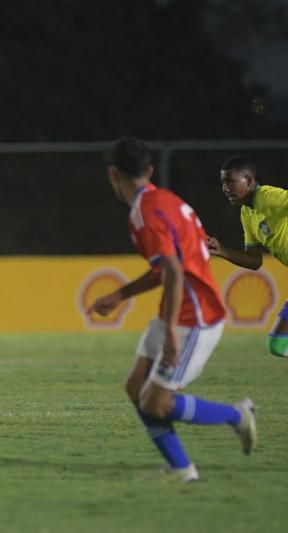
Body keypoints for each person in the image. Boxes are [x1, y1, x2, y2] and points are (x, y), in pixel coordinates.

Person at [87, 136, 256, 482]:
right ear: (149, 170)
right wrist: (122, 295)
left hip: (195, 317)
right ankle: (182, 469)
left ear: (113, 175)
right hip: (178, 310)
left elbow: (174, 271)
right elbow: (168, 268)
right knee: (136, 387)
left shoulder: (145, 214)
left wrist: (171, 338)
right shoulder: (164, 200)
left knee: (156, 403)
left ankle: (237, 415)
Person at [207, 156, 288, 357]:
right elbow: (254, 260)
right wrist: (223, 251)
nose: (225, 188)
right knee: (277, 344)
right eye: (223, 183)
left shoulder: (268, 197)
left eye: (230, 182)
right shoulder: (247, 213)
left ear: (249, 181)